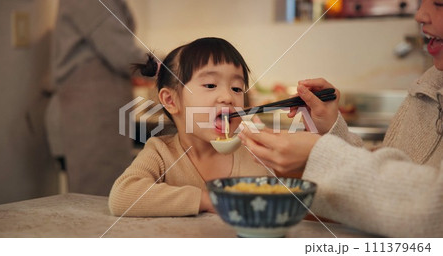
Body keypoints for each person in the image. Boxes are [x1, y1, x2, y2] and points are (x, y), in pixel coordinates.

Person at [239, 0, 443, 237]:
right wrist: (331, 131)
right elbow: (390, 178)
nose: (419, 15)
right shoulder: (429, 85)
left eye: (439, 3)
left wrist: (319, 154)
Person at [108, 37, 270, 217]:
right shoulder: (161, 153)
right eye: (210, 85)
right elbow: (122, 197)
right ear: (171, 101)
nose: (228, 97)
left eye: (237, 88)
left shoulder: (252, 153)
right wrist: (208, 200)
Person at [47, 0, 147, 195]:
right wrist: (174, 70)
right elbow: (123, 53)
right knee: (98, 198)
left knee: (103, 196)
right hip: (91, 115)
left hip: (93, 113)